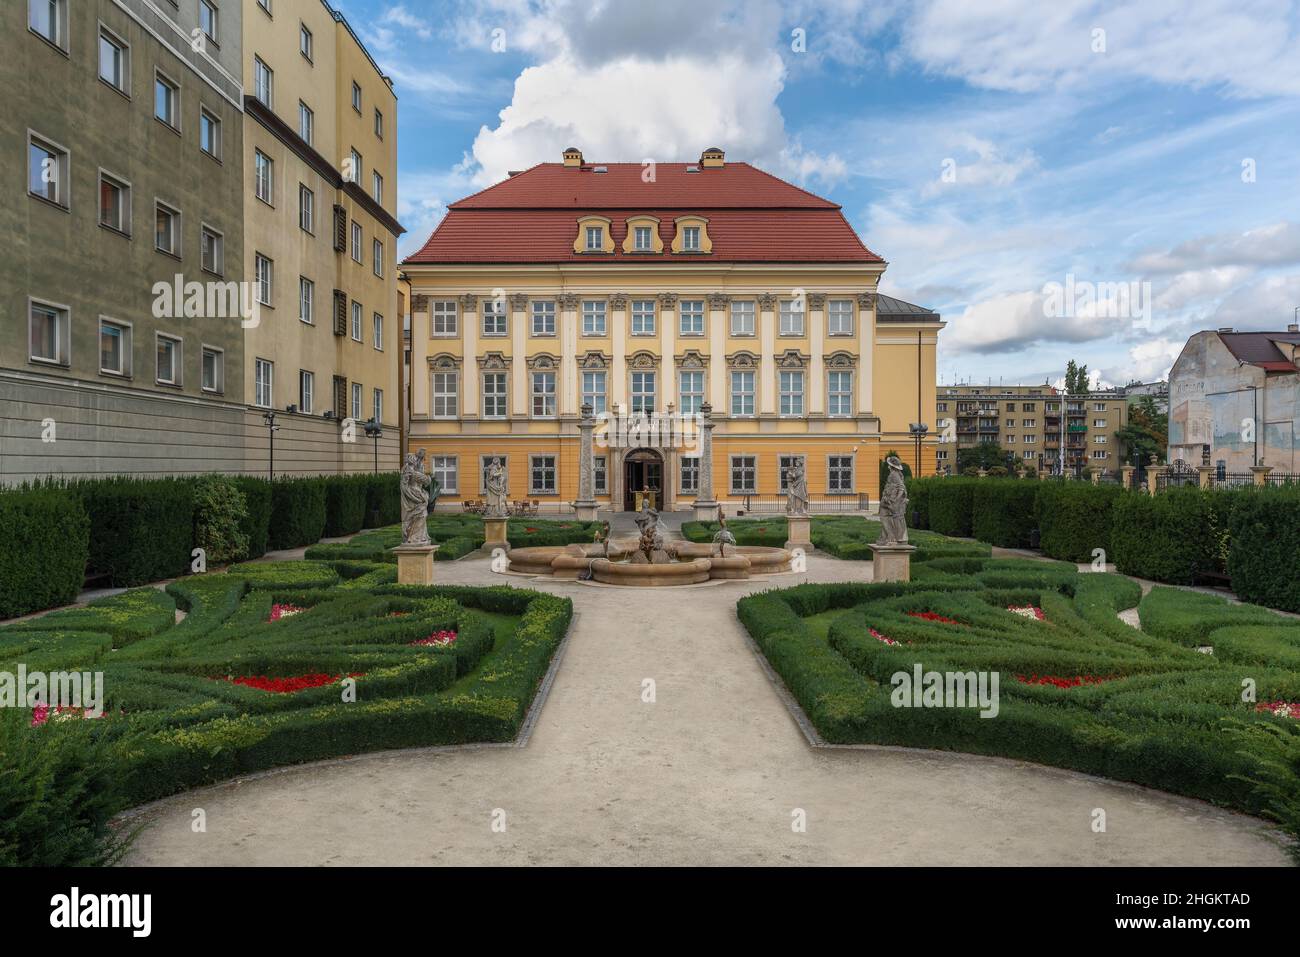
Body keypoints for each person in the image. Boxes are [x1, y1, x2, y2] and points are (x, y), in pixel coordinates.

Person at [400, 449, 432, 545]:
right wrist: (414, 498)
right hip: (413, 495)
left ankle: (420, 536)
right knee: (419, 515)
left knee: (422, 514)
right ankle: (413, 537)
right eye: (413, 458)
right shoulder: (407, 469)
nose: (415, 460)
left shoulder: (415, 468)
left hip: (418, 493)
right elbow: (404, 486)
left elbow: (424, 480)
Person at [877, 455, 909, 545]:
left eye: (889, 464)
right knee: (888, 517)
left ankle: (890, 537)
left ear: (891, 466)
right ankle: (886, 537)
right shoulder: (898, 474)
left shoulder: (893, 474)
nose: (888, 466)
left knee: (884, 516)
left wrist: (895, 499)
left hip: (889, 500)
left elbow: (901, 488)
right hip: (889, 500)